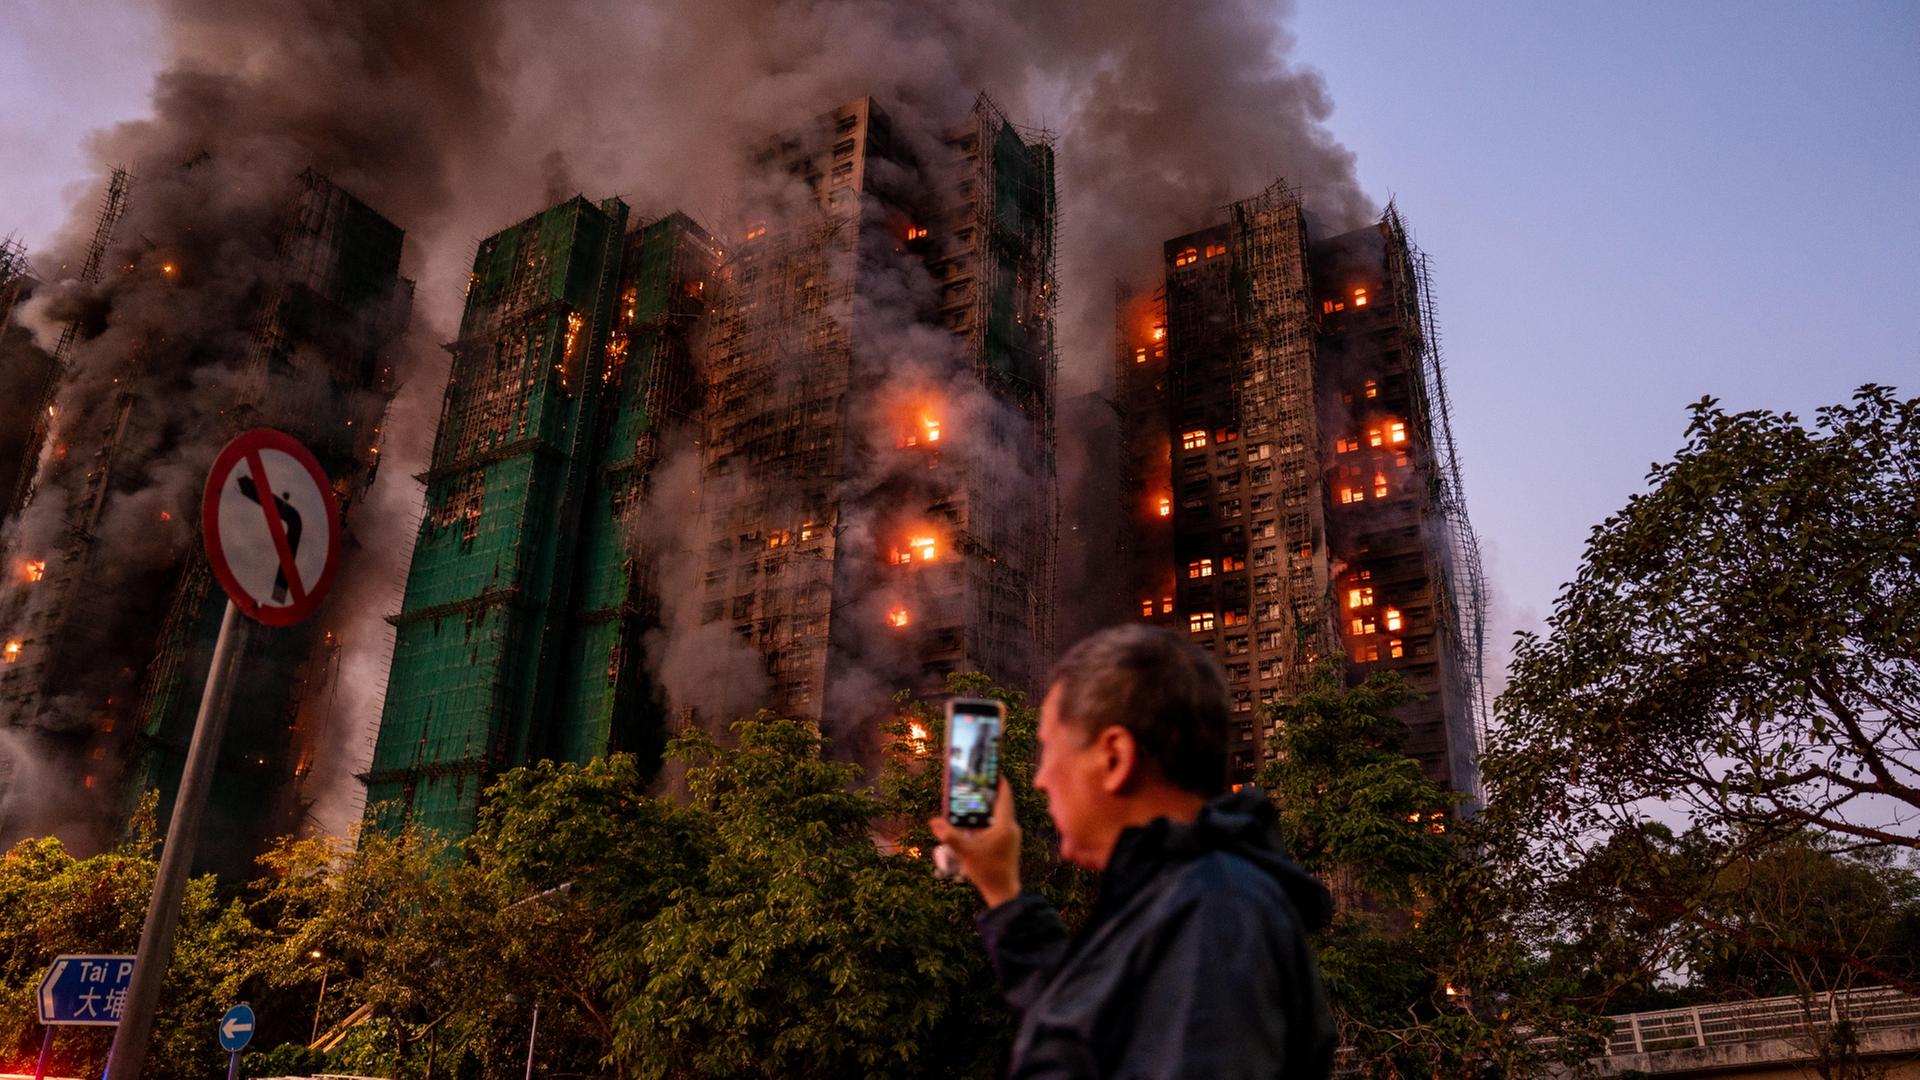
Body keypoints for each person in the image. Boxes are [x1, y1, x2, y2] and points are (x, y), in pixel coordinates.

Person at [930, 624, 1335, 1079]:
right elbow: (1079, 1028)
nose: (1040, 779)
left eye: (1047, 749)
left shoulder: (1215, 915)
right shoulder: (1182, 899)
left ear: (1114, 757)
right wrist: (1001, 889)